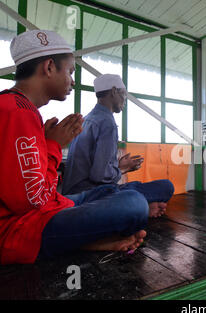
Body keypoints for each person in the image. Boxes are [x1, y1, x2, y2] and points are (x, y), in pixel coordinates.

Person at [0, 30, 148, 265]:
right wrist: (53, 145)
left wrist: (47, 143)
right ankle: (81, 240)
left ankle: (86, 239)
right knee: (134, 203)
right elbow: (34, 201)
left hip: (47, 209)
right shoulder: (16, 112)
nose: (73, 81)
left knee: (113, 193)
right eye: (69, 71)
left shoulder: (22, 110)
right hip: (19, 232)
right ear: (49, 67)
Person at [61, 74, 174, 218]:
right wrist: (123, 169)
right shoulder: (107, 122)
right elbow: (98, 176)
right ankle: (140, 206)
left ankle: (141, 206)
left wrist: (118, 166)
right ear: (114, 91)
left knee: (132, 190)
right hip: (91, 196)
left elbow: (95, 168)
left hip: (72, 195)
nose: (125, 100)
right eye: (124, 95)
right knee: (165, 187)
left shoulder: (88, 119)